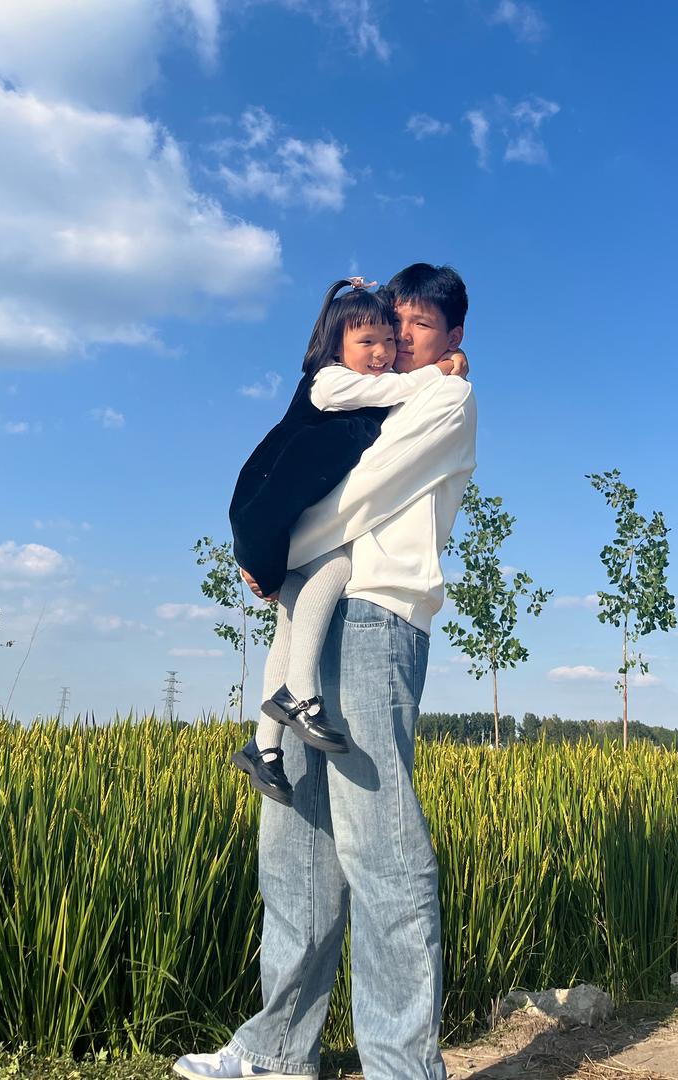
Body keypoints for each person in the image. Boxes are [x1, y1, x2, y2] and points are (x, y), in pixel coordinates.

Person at [174, 263, 475, 1080]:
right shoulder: (376, 396)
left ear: (453, 337)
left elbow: (357, 499)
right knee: (294, 842)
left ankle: (402, 1066)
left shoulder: (447, 399)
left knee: (380, 843)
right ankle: (276, 1050)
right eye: (392, 324)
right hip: (312, 608)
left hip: (377, 613)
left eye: (419, 327)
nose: (400, 339)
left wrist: (267, 552)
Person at [227, 277, 462, 803]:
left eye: (390, 338)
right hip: (272, 502)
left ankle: (264, 746)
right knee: (333, 569)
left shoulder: (370, 383)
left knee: (293, 617)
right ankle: (297, 695)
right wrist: (442, 369)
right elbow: (391, 391)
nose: (385, 350)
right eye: (370, 340)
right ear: (336, 345)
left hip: (294, 516)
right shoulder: (331, 382)